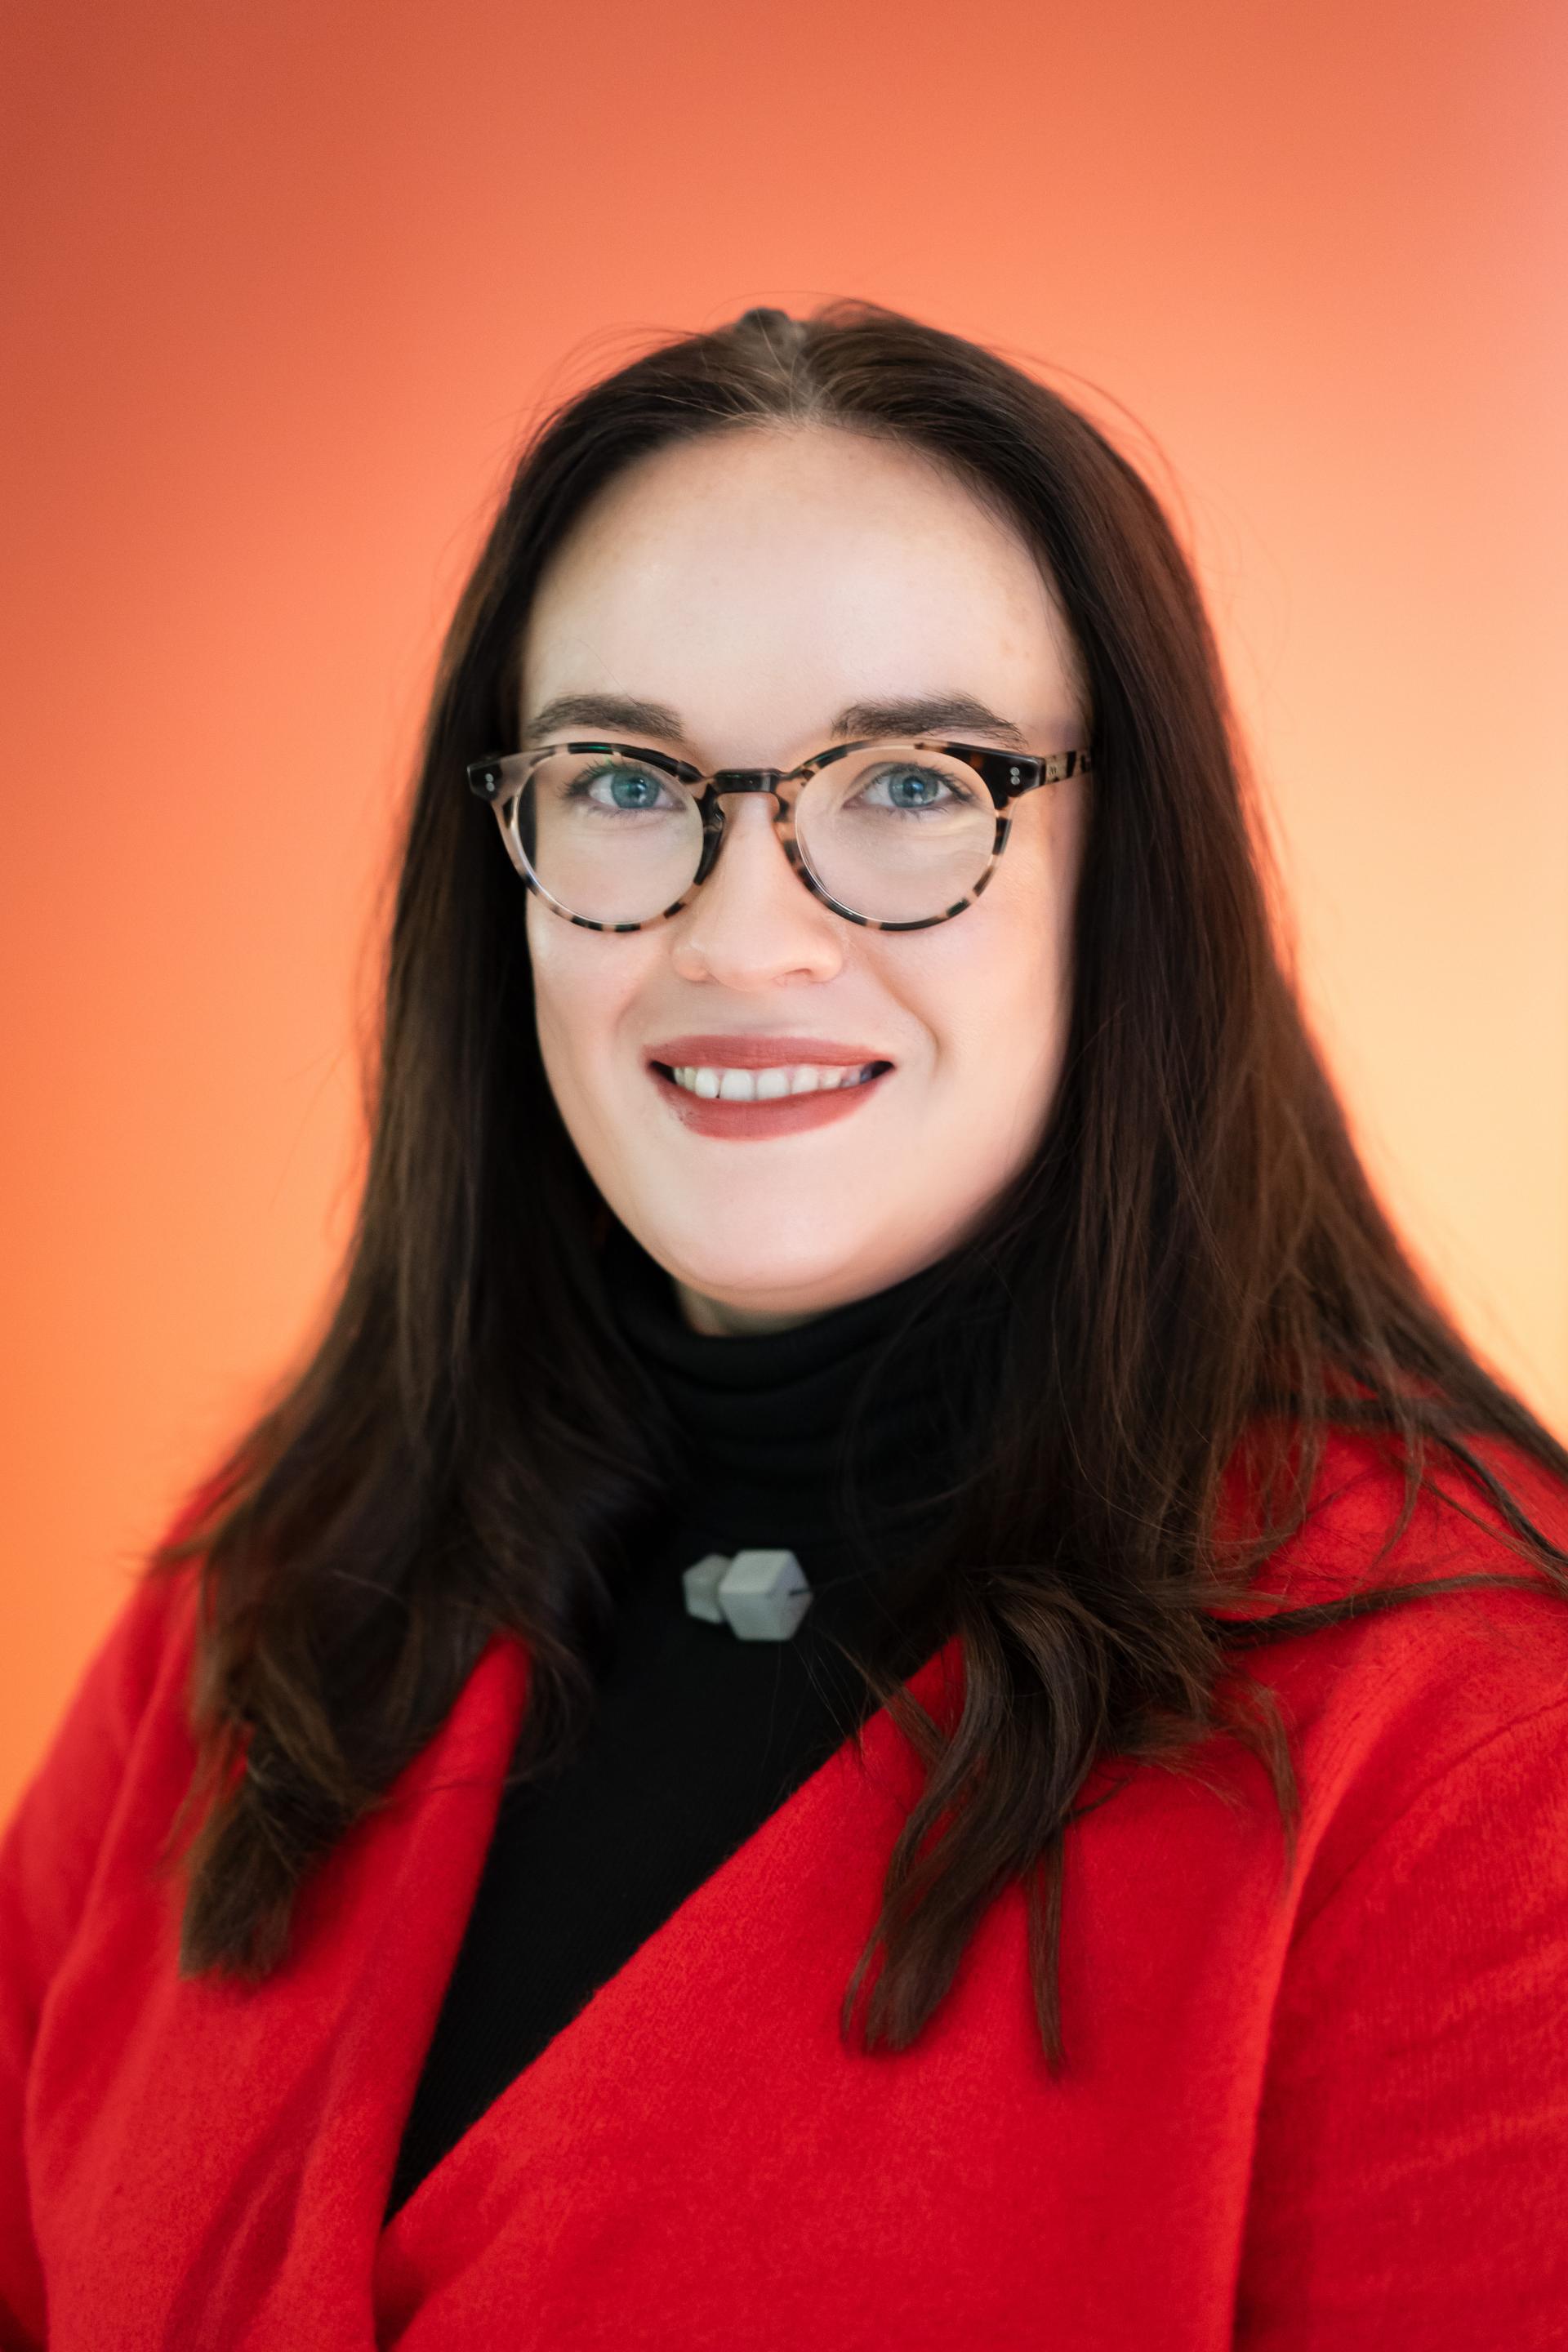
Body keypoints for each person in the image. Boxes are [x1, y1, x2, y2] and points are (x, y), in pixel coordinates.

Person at [2, 301, 1566, 2350]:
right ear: (507, 866)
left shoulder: (1475, 1752)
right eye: (627, 782)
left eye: (916, 780)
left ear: (1131, 881)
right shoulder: (275, 1588)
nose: (743, 931)